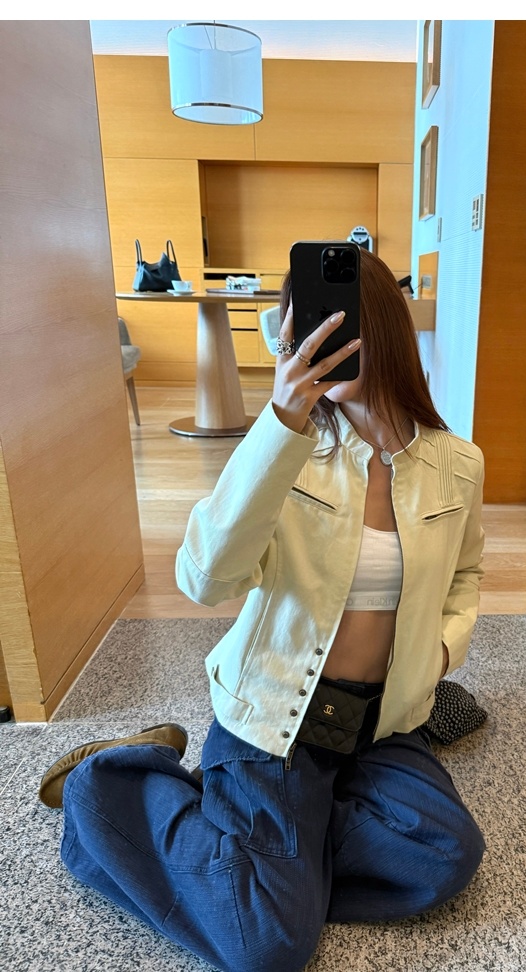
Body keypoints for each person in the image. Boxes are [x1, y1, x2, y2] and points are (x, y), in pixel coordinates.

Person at [39, 248, 487, 972]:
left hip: (381, 722)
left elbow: (465, 576)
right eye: (302, 329)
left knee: (443, 855)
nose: (317, 342)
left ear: (380, 330)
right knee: (266, 946)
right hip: (277, 713)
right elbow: (205, 579)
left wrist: (438, 655)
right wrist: (280, 424)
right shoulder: (285, 448)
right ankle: (114, 780)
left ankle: (274, 860)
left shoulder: (457, 464)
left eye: (337, 324)